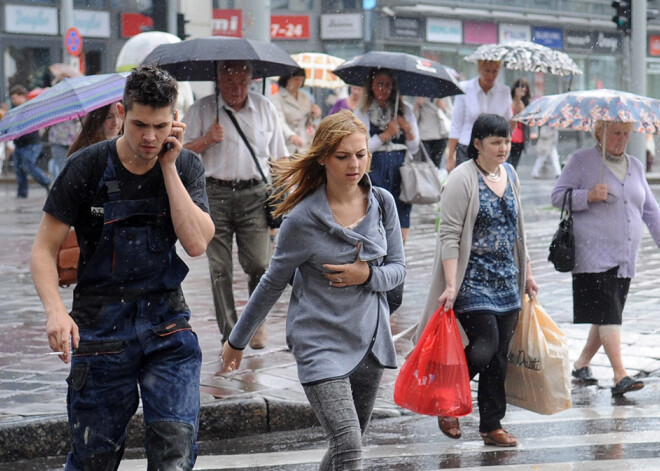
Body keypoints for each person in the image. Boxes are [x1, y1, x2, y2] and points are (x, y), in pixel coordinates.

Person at [29, 65, 215, 470]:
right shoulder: (86, 167)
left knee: (175, 453)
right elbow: (43, 249)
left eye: (161, 125)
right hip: (99, 328)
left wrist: (168, 168)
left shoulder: (186, 167)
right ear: (121, 112)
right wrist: (55, 312)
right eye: (139, 125)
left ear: (175, 120)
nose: (150, 137)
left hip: (167, 324)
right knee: (93, 458)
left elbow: (197, 243)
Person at [220, 110, 405, 470]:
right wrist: (236, 340)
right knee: (349, 444)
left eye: (361, 154)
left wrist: (365, 276)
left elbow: (398, 270)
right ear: (322, 157)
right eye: (343, 156)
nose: (355, 164)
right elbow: (271, 283)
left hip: (369, 341)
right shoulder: (302, 219)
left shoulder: (382, 203)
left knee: (344, 447)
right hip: (320, 343)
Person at [414, 114, 538, 447]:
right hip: (473, 280)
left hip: (506, 280)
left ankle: (491, 424)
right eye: (496, 142)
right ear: (478, 143)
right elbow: (450, 234)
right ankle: (446, 398)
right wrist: (451, 285)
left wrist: (526, 272)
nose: (504, 148)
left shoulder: (510, 174)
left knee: (500, 356)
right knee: (485, 347)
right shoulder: (461, 178)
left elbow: (517, 230)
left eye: (507, 141)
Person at [183, 60, 289, 350]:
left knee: (260, 264)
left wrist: (287, 194)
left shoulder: (265, 108)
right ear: (218, 80)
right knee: (219, 269)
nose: (236, 89)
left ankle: (254, 324)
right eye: (229, 83)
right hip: (213, 194)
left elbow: (279, 155)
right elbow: (180, 153)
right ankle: (231, 335)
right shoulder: (202, 109)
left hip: (254, 194)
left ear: (251, 81)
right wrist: (206, 140)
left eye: (242, 82)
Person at [551, 121, 660, 397]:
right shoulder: (582, 161)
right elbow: (557, 196)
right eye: (615, 133)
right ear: (599, 133)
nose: (621, 139)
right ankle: (620, 375)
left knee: (606, 314)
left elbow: (650, 210)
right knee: (609, 312)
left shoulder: (635, 165)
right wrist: (586, 195)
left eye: (625, 133)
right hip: (592, 255)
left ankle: (581, 363)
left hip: (625, 255)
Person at [354, 68, 419, 243]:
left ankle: (399, 252)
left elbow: (414, 147)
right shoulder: (363, 112)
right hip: (375, 167)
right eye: (379, 84)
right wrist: (385, 135)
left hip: (400, 168)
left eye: (388, 85)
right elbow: (362, 147)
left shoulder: (404, 110)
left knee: (402, 208)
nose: (384, 89)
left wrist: (408, 129)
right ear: (371, 87)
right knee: (375, 208)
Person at [446, 60, 512, 172]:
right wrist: (450, 156)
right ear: (479, 69)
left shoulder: (504, 91)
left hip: (493, 149)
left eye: (494, 71)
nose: (491, 75)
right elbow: (456, 124)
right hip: (467, 146)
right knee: (466, 183)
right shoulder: (464, 88)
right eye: (487, 71)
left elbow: (508, 126)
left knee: (488, 185)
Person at [9, 84, 52, 197]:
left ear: (21, 96)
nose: (13, 101)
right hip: (18, 143)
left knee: (27, 165)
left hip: (31, 143)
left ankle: (46, 182)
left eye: (14, 98)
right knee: (19, 170)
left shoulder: (29, 107)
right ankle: (22, 194)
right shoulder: (14, 110)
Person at [271, 67, 321, 154]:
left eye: (301, 80)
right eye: (296, 79)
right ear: (287, 79)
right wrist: (291, 135)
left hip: (304, 144)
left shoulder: (305, 97)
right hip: (286, 144)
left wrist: (314, 114)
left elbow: (308, 123)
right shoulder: (277, 98)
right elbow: (279, 121)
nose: (299, 83)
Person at [414, 96, 452, 168]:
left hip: (440, 135)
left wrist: (443, 107)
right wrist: (417, 105)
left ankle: (435, 178)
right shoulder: (420, 95)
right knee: (426, 165)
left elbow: (451, 115)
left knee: (437, 165)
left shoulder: (444, 96)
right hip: (425, 135)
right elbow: (414, 118)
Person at [508, 78, 531, 169]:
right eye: (521, 87)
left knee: (514, 166)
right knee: (506, 164)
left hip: (520, 139)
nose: (523, 90)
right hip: (509, 137)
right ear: (515, 88)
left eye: (525, 89)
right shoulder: (508, 102)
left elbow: (527, 122)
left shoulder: (526, 105)